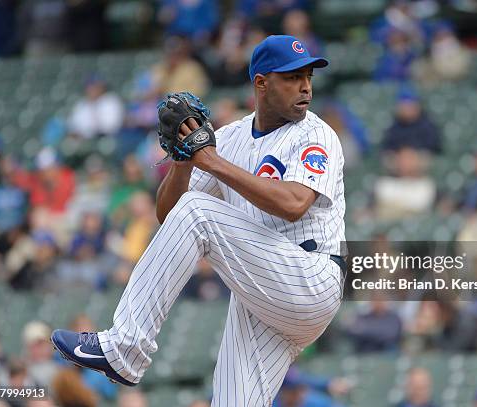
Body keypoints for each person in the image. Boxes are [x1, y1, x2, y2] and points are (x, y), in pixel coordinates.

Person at [51, 35, 346, 407]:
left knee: (198, 211)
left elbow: (295, 203)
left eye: (308, 76)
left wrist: (211, 161)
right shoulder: (230, 137)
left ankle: (125, 348)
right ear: (261, 82)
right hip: (262, 293)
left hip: (309, 277)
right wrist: (182, 159)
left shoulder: (315, 134)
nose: (305, 86)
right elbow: (168, 214)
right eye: (292, 77)